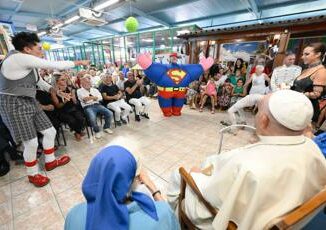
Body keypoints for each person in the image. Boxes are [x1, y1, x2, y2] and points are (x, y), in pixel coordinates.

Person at [167, 90, 326, 229]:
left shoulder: (246, 164)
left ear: (264, 121)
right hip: (284, 216)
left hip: (224, 220)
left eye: (257, 112)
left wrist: (196, 176)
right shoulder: (313, 149)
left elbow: (211, 193)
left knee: (178, 174)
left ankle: (174, 222)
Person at [0, 32, 88, 187]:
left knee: (50, 132)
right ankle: (33, 174)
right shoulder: (16, 58)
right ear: (27, 49)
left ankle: (50, 161)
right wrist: (79, 62)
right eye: (39, 48)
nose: (42, 51)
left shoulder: (28, 64)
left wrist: (57, 91)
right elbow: (56, 66)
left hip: (29, 100)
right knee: (31, 142)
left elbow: (39, 82)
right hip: (13, 104)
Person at [64, 145, 179, 230]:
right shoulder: (161, 213)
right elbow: (168, 214)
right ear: (134, 180)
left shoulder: (73, 215)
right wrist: (153, 188)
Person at [292, 42, 326, 124]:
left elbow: (316, 94)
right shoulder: (305, 70)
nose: (302, 57)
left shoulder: (321, 71)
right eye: (303, 54)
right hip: (295, 107)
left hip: (307, 111)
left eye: (306, 54)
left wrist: (300, 94)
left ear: (318, 54)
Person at [77, 74, 114, 139]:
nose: (87, 83)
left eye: (88, 82)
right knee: (92, 118)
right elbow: (85, 100)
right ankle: (97, 131)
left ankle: (106, 127)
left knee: (110, 113)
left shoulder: (94, 90)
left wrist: (91, 98)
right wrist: (94, 97)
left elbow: (100, 98)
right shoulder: (79, 91)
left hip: (97, 105)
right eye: (85, 82)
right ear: (82, 84)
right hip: (88, 107)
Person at [51, 73, 85, 141]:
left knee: (81, 118)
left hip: (72, 108)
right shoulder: (53, 91)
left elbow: (74, 102)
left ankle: (77, 131)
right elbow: (58, 106)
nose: (65, 81)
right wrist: (65, 100)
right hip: (62, 111)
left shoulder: (69, 88)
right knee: (72, 120)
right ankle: (78, 132)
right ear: (57, 81)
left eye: (65, 79)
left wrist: (73, 97)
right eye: (62, 80)